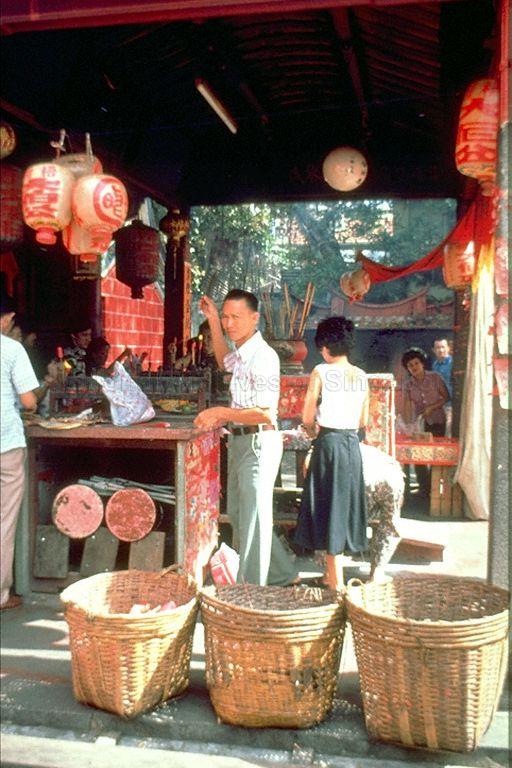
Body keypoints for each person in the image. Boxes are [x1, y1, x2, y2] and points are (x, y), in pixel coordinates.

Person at [194, 290, 297, 587]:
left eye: (235, 317)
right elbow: (222, 359)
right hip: (240, 441)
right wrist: (213, 319)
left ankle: (250, 590)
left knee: (253, 520)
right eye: (226, 317)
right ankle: (283, 574)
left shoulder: (263, 357)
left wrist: (221, 413)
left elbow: (266, 413)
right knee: (242, 516)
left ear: (255, 318)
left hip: (258, 442)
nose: (229, 323)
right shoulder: (241, 353)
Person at [293, 316, 369, 591]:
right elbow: (363, 420)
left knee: (328, 508)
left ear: (325, 346)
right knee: (342, 507)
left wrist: (311, 430)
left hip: (329, 444)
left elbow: (307, 415)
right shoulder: (361, 375)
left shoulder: (321, 371)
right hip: (351, 446)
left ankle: (336, 583)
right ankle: (330, 575)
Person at [1, 294, 39, 610]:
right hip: (6, 444)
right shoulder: (12, 350)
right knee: (4, 520)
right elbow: (28, 401)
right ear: (5, 318)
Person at [400, 346, 450, 497]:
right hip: (420, 424)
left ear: (422, 363)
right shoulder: (408, 385)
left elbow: (446, 397)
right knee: (418, 455)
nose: (414, 367)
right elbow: (406, 407)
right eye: (410, 365)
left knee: (435, 455)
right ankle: (424, 489)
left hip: (438, 421)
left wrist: (432, 408)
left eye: (416, 363)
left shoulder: (435, 377)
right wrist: (407, 424)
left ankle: (434, 490)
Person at [432, 337, 453, 436]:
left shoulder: (453, 364)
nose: (440, 350)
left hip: (450, 404)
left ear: (448, 348)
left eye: (443, 347)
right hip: (438, 404)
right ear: (434, 350)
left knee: (449, 429)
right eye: (438, 348)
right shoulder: (435, 365)